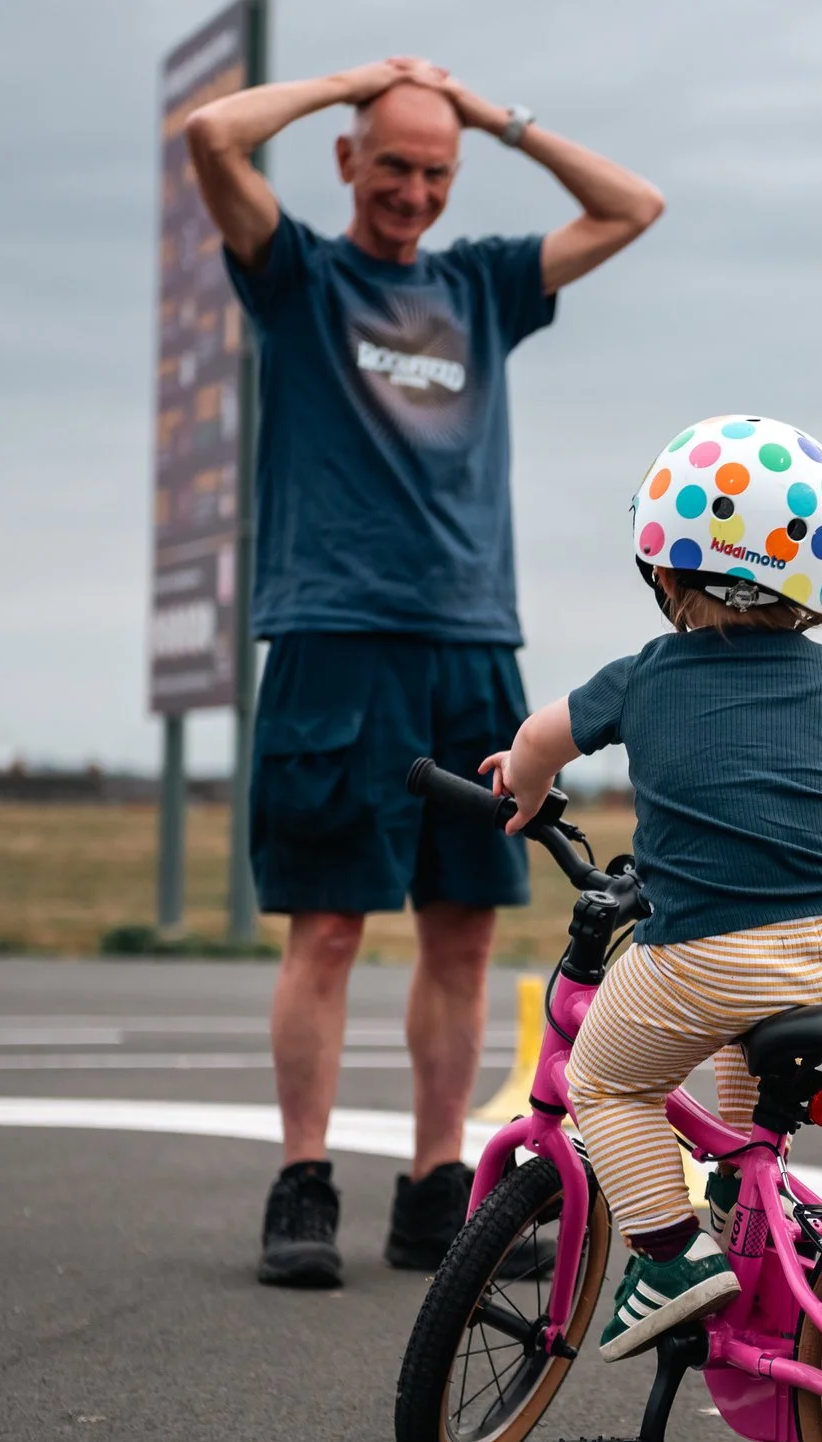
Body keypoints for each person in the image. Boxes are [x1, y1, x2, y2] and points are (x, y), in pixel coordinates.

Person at [184, 58, 665, 1287]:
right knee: (328, 929)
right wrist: (359, 81)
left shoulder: (483, 285)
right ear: (347, 161)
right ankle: (302, 1184)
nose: (412, 191)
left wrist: (494, 121)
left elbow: (632, 206)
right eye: (391, 165)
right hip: (334, 639)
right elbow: (212, 136)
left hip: (469, 642)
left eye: (434, 172)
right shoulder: (300, 276)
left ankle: (435, 1188)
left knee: (462, 932)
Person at [484, 415, 822, 1358]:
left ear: (666, 569)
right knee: (743, 1040)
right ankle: (741, 1187)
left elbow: (539, 740)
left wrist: (525, 787)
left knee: (605, 1079)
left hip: (705, 952)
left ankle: (673, 1255)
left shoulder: (645, 674)